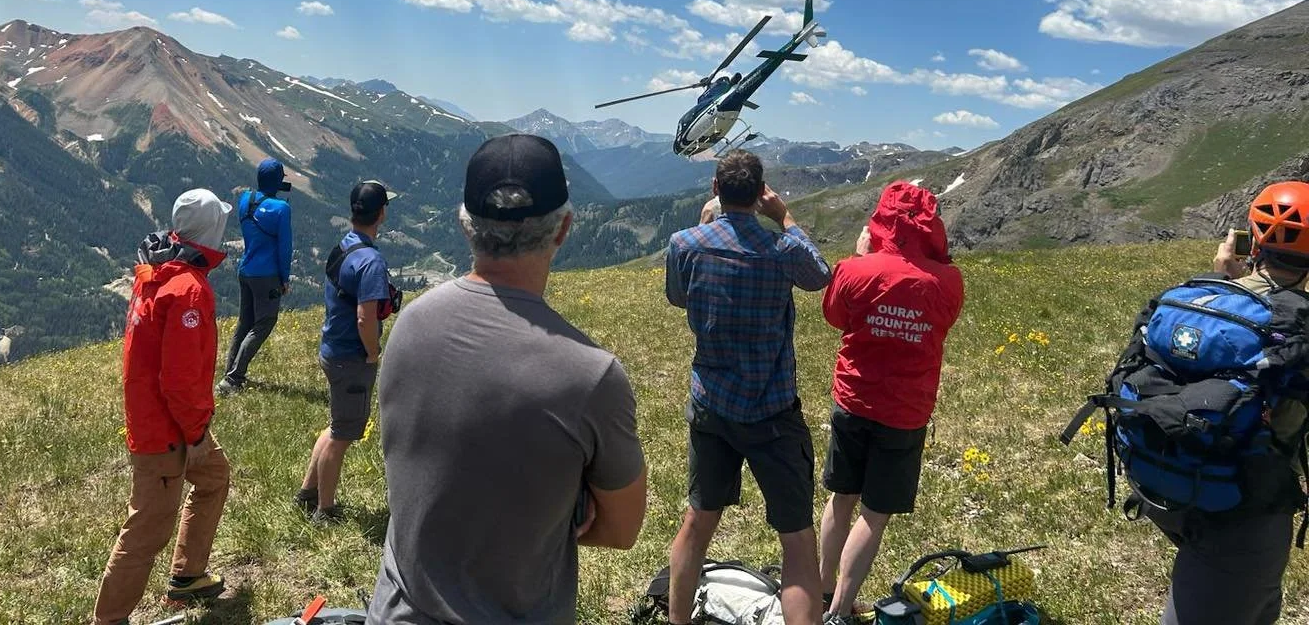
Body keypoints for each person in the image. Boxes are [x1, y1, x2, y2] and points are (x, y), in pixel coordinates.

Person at [368, 133, 647, 624]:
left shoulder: (410, 325)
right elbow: (621, 531)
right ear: (563, 229)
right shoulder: (592, 375)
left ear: (464, 224)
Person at [664, 149, 832, 625]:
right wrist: (786, 217)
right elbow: (820, 276)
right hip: (773, 410)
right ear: (761, 195)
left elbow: (679, 297)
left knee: (697, 522)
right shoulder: (781, 250)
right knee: (796, 538)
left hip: (711, 406)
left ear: (716, 190)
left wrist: (701, 225)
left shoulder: (684, 243)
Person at [1150, 182, 1309, 625]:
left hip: (1165, 480)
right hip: (1245, 505)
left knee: (1254, 603)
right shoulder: (1301, 325)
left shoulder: (1206, 299)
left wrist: (1228, 280)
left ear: (1252, 241)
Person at [818, 181, 963, 625]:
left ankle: (824, 593)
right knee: (874, 513)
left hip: (853, 400)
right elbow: (943, 324)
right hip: (905, 411)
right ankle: (841, 611)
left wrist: (862, 259)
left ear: (881, 218)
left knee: (842, 497)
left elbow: (834, 317)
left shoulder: (855, 269)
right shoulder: (947, 281)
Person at [94, 188, 235, 625]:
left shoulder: (156, 271)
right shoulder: (189, 291)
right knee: (146, 531)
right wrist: (195, 434)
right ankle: (109, 620)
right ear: (211, 230)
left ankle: (187, 577)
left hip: (159, 419)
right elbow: (178, 380)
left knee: (214, 477)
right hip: (167, 431)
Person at [296, 178, 397, 525]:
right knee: (342, 435)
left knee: (337, 425)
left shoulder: (345, 246)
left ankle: (308, 492)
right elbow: (365, 316)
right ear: (381, 213)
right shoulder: (371, 262)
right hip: (351, 356)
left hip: (332, 348)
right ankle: (325, 510)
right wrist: (373, 352)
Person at [219, 157, 293, 394]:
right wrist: (285, 278)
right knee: (265, 322)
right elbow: (284, 247)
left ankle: (229, 371)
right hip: (267, 274)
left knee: (245, 322)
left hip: (246, 269)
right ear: (278, 181)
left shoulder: (245, 200)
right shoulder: (281, 209)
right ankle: (234, 378)